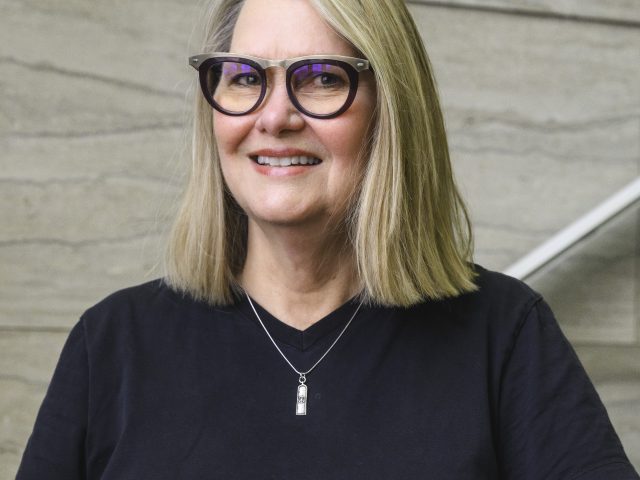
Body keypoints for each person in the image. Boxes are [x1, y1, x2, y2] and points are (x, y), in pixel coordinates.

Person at [16, 0, 639, 478]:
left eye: (319, 78)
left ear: (390, 107)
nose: (275, 115)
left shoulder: (504, 336)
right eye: (243, 76)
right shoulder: (113, 345)